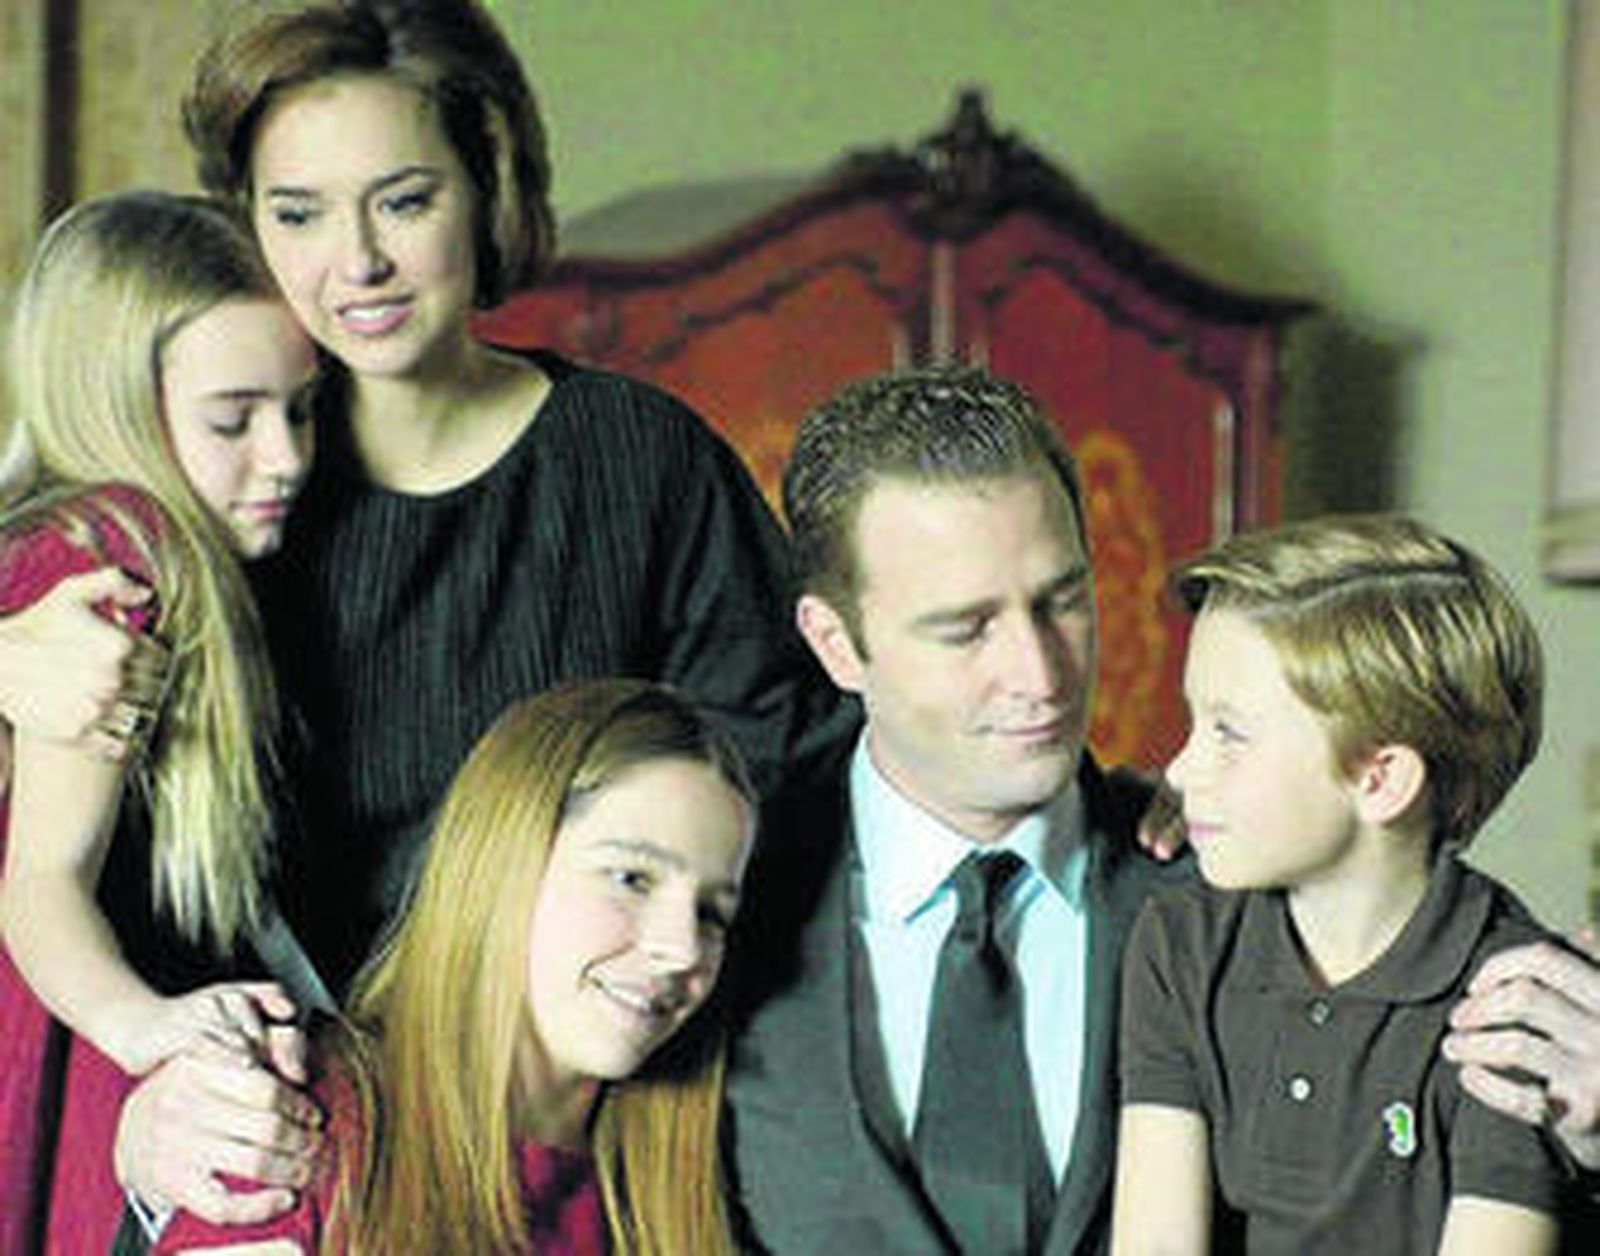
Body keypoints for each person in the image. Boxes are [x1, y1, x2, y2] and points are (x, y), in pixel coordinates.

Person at [0, 0, 842, 1232]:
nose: (356, 264)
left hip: (568, 1141)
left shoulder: (640, 463)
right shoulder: (211, 486)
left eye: (402, 201)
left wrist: (1092, 817)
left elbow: (816, 774)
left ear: (485, 187)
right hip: (243, 1140)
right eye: (297, 213)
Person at [722, 365, 1188, 1255]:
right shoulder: (726, 908)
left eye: (1062, 601)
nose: (1040, 676)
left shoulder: (1215, 884)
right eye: (965, 628)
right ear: (836, 644)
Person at [154, 679, 755, 1254]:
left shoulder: (669, 1197)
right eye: (631, 878)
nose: (683, 948)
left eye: (712, 914)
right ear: (501, 861)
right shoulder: (297, 1129)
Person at [0, 191, 319, 1254]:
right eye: (234, 420)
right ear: (117, 406)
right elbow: (42, 881)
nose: (287, 456)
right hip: (57, 1023)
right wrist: (146, 1026)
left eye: (302, 410)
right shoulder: (112, 557)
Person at [1111, 515, 1565, 1254]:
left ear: (1379, 780)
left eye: (1229, 733)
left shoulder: (1515, 1005)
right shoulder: (1180, 943)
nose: (1181, 769)